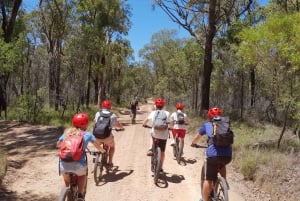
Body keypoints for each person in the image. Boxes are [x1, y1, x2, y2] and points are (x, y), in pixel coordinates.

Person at [57, 113, 104, 201]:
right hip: (78, 166)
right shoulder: (87, 135)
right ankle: (80, 195)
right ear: (86, 124)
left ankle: (65, 192)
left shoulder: (66, 133)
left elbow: (58, 144)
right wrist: (102, 151)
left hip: (63, 164)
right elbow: (97, 145)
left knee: (67, 181)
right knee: (82, 175)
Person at [191, 107, 232, 201]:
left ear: (209, 116)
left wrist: (193, 143)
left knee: (208, 179)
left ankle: (205, 199)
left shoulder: (207, 124)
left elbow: (197, 136)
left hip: (213, 155)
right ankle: (223, 181)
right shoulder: (226, 125)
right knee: (222, 164)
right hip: (227, 155)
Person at [94, 100, 124, 169]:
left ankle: (97, 155)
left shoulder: (98, 113)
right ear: (110, 107)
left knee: (97, 144)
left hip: (97, 136)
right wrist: (122, 128)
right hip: (107, 136)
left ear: (102, 106)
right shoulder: (112, 115)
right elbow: (117, 124)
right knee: (112, 147)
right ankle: (110, 162)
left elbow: (95, 123)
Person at [142, 98, 170, 172]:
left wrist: (144, 124)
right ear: (163, 106)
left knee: (152, 134)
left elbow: (145, 121)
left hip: (155, 133)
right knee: (163, 152)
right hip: (164, 135)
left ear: (155, 106)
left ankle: (151, 149)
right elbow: (170, 122)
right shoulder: (167, 113)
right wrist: (171, 127)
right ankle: (160, 167)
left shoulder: (153, 113)